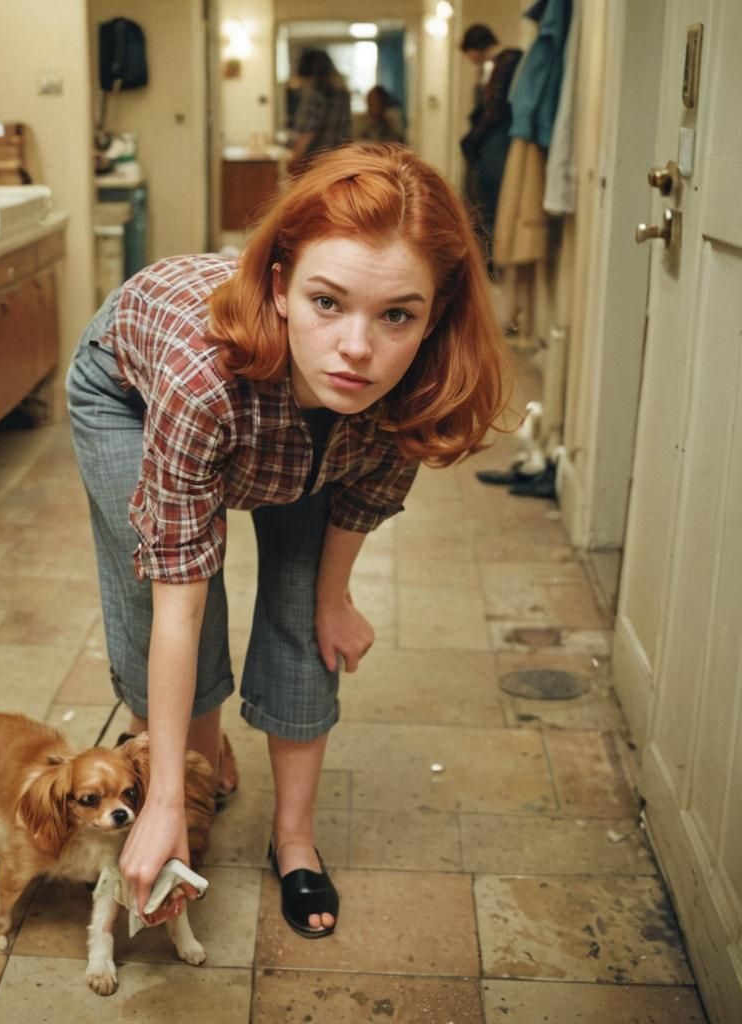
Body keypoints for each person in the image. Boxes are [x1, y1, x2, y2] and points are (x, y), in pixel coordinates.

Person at [65, 142, 508, 939]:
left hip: (291, 423)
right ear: (280, 286)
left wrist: (332, 597)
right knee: (164, 604)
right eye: (328, 302)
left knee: (302, 611)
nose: (358, 349)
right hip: (131, 396)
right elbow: (179, 599)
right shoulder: (202, 381)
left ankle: (293, 839)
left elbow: (364, 494)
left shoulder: (410, 382)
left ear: (433, 315)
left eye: (397, 314)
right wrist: (164, 794)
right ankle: (192, 776)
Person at [458, 24, 523, 265]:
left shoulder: (506, 61)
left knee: (490, 196)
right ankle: (484, 254)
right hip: (489, 141)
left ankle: (491, 257)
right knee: (480, 194)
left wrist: (473, 140)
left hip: (497, 141)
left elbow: (495, 109)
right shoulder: (491, 66)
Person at [288, 49, 352, 173]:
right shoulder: (343, 92)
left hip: (316, 162)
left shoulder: (315, 94)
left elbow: (306, 133)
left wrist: (294, 161)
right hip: (340, 158)